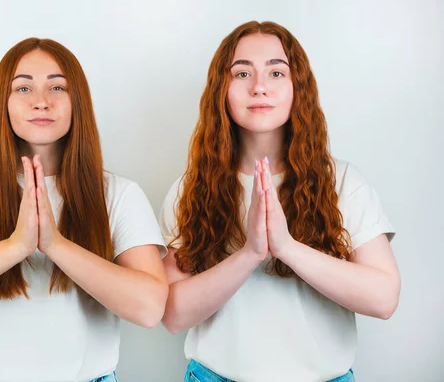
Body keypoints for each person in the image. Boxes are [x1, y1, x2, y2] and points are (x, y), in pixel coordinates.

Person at [0, 38, 168, 382]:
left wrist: (55, 244)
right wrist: (15, 246)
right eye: (23, 88)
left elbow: (149, 308)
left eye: (57, 87)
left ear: (77, 102)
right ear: (2, 104)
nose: (41, 101)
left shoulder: (119, 194)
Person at [159, 21, 400, 382]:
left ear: (297, 88)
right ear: (221, 90)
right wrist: (250, 255)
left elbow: (383, 299)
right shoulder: (189, 189)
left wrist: (286, 247)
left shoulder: (343, 182)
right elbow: (173, 315)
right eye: (242, 73)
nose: (259, 87)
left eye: (276, 72)